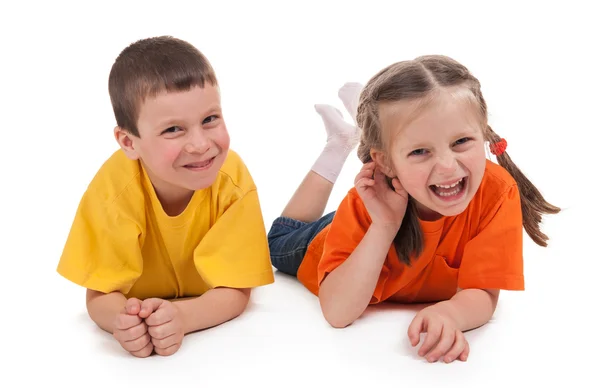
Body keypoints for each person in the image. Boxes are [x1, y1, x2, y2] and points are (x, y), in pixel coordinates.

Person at [267, 55, 560, 363]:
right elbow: (338, 313)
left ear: (483, 132)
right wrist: (383, 225)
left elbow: (483, 293)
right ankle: (339, 143)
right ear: (384, 163)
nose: (448, 167)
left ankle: (371, 128)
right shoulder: (365, 203)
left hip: (401, 185)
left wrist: (451, 313)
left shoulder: (497, 191)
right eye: (420, 151)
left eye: (461, 141)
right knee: (279, 237)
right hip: (335, 238)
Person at [57, 36, 274, 358]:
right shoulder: (112, 192)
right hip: (140, 305)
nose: (200, 144)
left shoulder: (232, 180)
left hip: (203, 301)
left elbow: (236, 290)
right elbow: (100, 296)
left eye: (210, 119)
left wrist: (184, 317)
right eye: (173, 129)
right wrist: (124, 321)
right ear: (129, 143)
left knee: (289, 241)